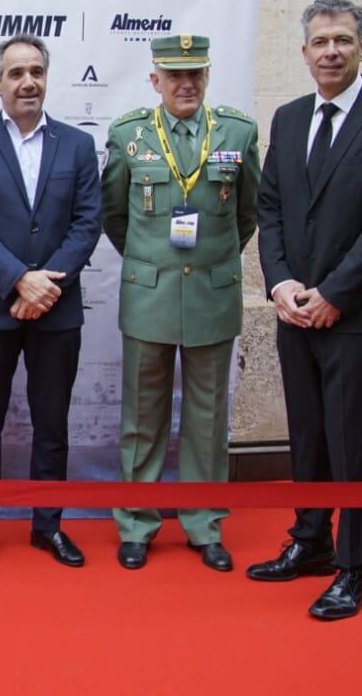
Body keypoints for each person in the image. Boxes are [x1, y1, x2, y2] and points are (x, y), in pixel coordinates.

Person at [249, 0, 362, 619]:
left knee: (351, 446)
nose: (331, 51)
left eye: (343, 41)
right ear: (304, 52)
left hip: (356, 314)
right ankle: (311, 542)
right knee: (308, 438)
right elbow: (270, 210)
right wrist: (282, 285)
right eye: (320, 41)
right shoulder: (290, 119)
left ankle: (356, 569)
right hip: (295, 309)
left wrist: (334, 294)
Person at [101, 35, 261, 573]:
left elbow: (247, 213)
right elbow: (114, 217)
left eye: (195, 74)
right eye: (174, 76)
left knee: (207, 418)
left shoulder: (238, 132)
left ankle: (204, 524)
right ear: (155, 81)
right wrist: (152, 264)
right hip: (150, 294)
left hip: (213, 295)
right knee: (142, 418)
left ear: (208, 75)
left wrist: (211, 262)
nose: (185, 84)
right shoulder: (130, 136)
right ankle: (137, 524)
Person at [0, 34, 101, 569]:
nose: (27, 81)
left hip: (56, 310)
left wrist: (44, 286)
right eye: (15, 73)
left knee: (51, 422)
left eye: (35, 71)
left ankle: (47, 524)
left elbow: (87, 223)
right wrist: (19, 280)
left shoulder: (78, 146)